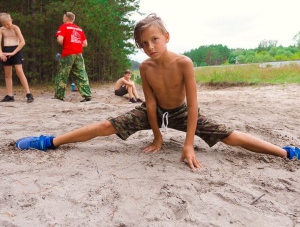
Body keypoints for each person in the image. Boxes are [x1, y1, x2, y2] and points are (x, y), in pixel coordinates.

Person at [15, 13, 300, 170]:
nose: (150, 47)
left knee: (230, 136)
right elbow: (149, 104)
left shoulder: (184, 63)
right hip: (155, 112)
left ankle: (287, 152)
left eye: (154, 39)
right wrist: (158, 135)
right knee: (105, 125)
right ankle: (49, 141)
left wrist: (188, 143)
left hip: (183, 112)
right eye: (144, 44)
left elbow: (194, 107)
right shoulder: (146, 68)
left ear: (166, 37)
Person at [54, 12, 92, 102]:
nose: (63, 19)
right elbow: (85, 44)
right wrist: (76, 45)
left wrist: (68, 44)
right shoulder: (79, 29)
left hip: (68, 53)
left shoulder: (64, 27)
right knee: (81, 74)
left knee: (63, 74)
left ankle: (59, 95)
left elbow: (60, 39)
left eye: (63, 17)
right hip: (79, 54)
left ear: (67, 18)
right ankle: (87, 95)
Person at [0, 13, 34, 103]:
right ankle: (9, 95)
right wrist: (1, 54)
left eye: (8, 23)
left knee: (19, 71)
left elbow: (22, 42)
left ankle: (28, 94)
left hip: (16, 49)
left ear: (11, 20)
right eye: (4, 25)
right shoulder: (1, 29)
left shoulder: (15, 28)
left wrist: (13, 52)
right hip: (6, 50)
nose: (7, 26)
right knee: (7, 74)